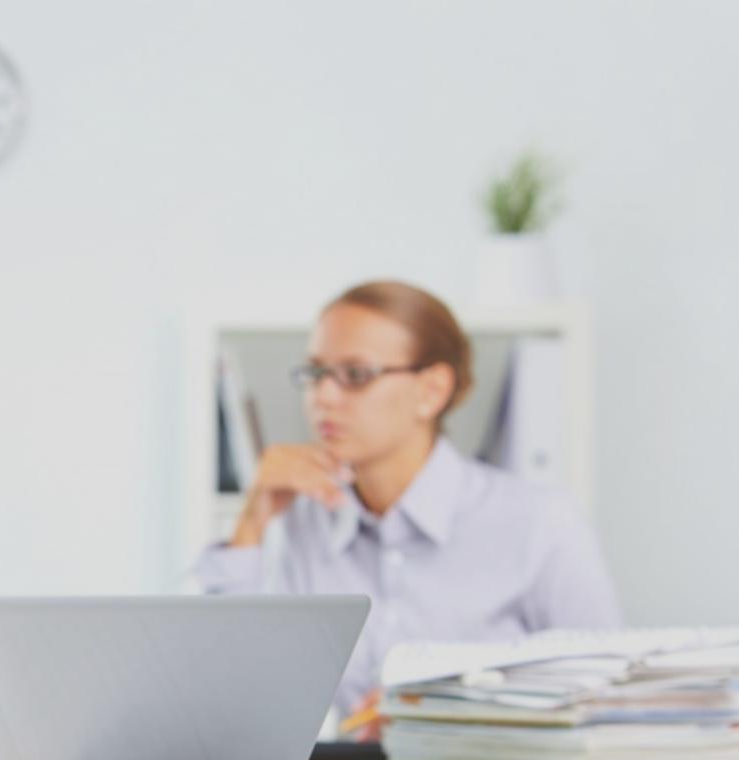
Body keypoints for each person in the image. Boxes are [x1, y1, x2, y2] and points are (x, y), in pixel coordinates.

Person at [197, 280, 623, 729]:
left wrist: (447, 705)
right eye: (316, 373)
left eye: (356, 374)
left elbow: (608, 693)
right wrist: (251, 523)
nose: (323, 396)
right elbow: (227, 696)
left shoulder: (540, 522)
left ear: (432, 390)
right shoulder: (304, 522)